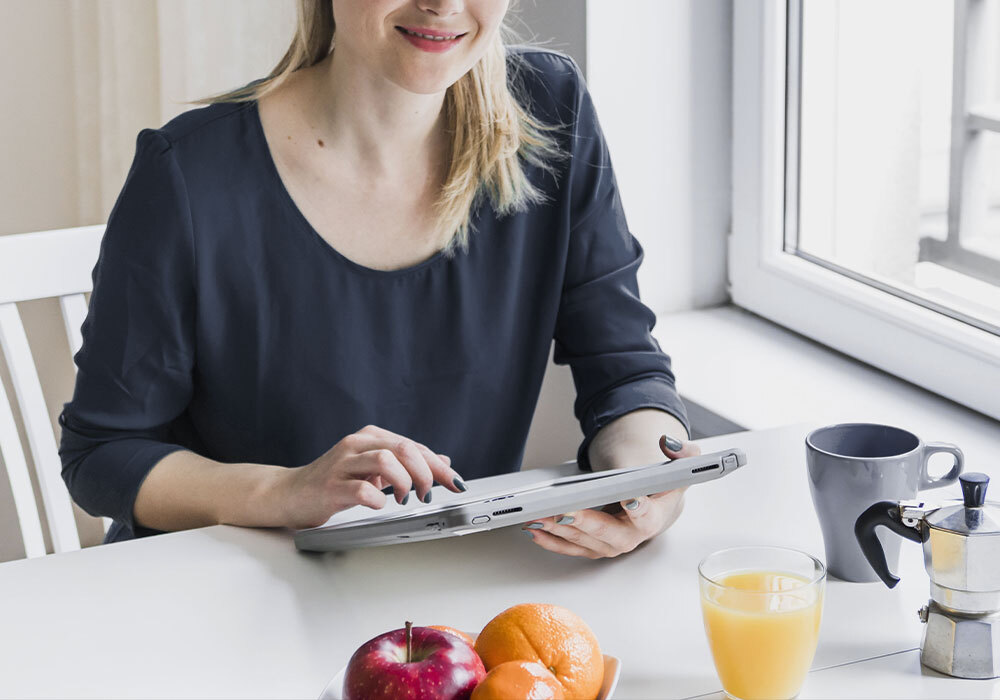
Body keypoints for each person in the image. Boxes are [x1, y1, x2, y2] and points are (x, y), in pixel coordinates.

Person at [58, 0, 698, 560]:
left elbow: (626, 370)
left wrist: (646, 489)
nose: (443, 3)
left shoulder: (555, 111)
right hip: (222, 595)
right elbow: (103, 454)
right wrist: (288, 492)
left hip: (441, 597)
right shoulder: (190, 174)